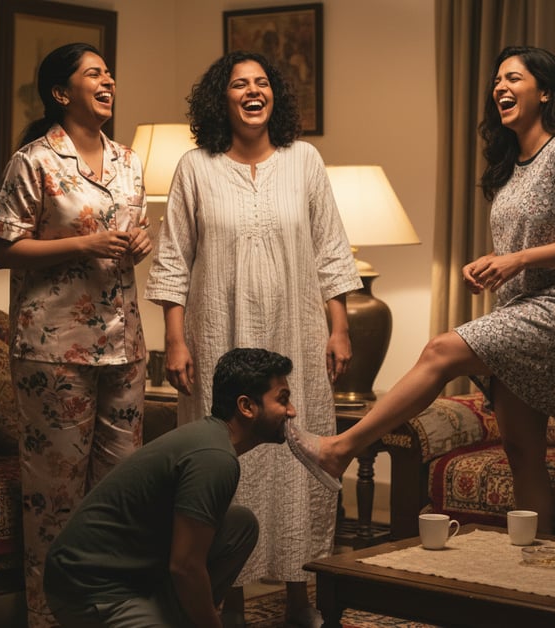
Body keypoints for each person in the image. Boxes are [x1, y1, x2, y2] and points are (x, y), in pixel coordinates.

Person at [288, 45, 555, 534]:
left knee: (440, 350)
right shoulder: (514, 164)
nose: (500, 87)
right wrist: (491, 265)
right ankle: (534, 564)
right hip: (522, 304)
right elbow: (526, 239)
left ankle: (339, 449)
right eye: (497, 80)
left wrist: (516, 259)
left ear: (545, 92)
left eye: (515, 79)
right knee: (524, 451)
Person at [144, 50, 361, 626]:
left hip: (296, 333)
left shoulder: (305, 161)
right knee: (225, 462)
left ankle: (299, 599)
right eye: (239, 84)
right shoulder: (195, 166)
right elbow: (173, 260)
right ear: (222, 99)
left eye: (261, 83)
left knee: (296, 456)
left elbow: (331, 250)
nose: (252, 91)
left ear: (275, 97)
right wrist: (175, 339)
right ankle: (229, 603)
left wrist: (339, 327)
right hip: (218, 335)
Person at [0, 43, 152, 628]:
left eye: (110, 71)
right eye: (93, 73)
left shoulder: (131, 161)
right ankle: (49, 616)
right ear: (62, 92)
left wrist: (139, 243)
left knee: (120, 492)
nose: (108, 80)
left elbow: (135, 234)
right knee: (55, 496)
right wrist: (83, 243)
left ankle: (111, 611)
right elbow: (2, 249)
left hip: (125, 345)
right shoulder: (33, 162)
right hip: (53, 348)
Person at [43, 348, 297, 627]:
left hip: (137, 574)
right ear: (247, 406)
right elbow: (185, 566)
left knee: (240, 524)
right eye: (283, 400)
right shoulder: (215, 458)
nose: (292, 411)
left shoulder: (213, 442)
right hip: (90, 586)